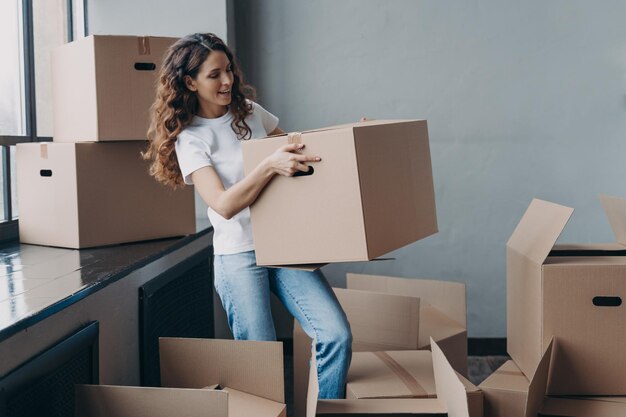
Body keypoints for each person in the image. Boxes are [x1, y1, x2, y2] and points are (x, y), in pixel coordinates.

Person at [143, 33, 352, 399]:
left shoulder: (251, 113)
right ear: (190, 82)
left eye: (228, 71)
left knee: (336, 335)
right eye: (214, 75)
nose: (227, 82)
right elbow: (222, 204)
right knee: (261, 365)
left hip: (284, 247)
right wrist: (269, 165)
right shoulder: (191, 139)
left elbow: (297, 150)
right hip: (238, 254)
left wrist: (350, 136)